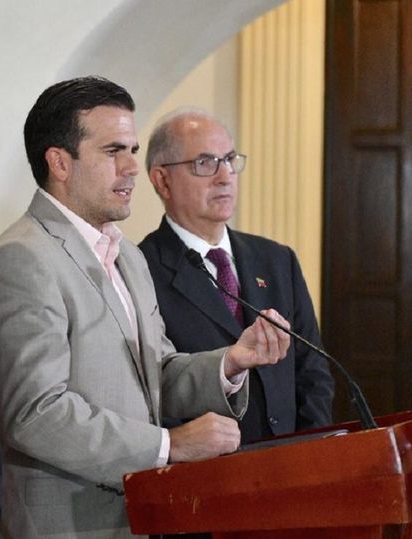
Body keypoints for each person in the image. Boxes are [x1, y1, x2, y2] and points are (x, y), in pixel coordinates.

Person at [0, 76, 291, 538]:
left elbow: (156, 373)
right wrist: (169, 444)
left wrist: (230, 362)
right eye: (112, 152)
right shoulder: (22, 258)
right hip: (70, 525)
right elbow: (35, 413)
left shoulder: (127, 256)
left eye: (133, 150)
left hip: (140, 516)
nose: (132, 168)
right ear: (60, 162)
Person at [139, 109, 334, 446]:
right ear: (162, 180)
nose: (224, 176)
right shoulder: (141, 269)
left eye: (229, 159)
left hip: (288, 464)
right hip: (207, 476)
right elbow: (153, 388)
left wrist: (311, 450)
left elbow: (312, 371)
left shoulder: (276, 259)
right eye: (204, 163)